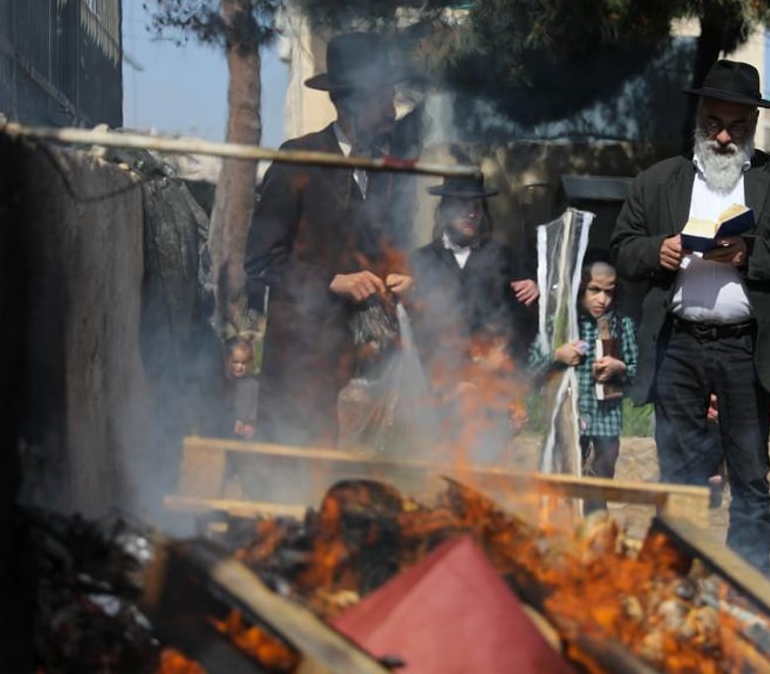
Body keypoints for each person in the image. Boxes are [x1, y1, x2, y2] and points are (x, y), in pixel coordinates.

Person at [611, 60, 770, 575]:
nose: (724, 136)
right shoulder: (659, 180)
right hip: (678, 344)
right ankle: (673, 576)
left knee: (750, 470)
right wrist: (655, 252)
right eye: (714, 123)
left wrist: (751, 256)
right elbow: (622, 246)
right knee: (678, 470)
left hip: (746, 346)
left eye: (737, 126)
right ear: (700, 119)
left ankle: (746, 583)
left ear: (753, 125)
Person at [244, 32, 413, 446]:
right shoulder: (299, 160)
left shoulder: (386, 174)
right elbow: (261, 261)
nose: (392, 112)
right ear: (352, 102)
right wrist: (333, 282)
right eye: (383, 99)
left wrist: (401, 278)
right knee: (299, 475)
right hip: (303, 360)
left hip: (362, 365)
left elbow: (390, 250)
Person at [408, 174, 538, 387]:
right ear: (445, 210)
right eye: (462, 205)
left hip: (491, 380)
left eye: (477, 207)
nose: (471, 213)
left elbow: (522, 320)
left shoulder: (504, 257)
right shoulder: (422, 259)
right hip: (438, 381)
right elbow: (414, 323)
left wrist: (535, 289)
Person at [530, 260, 639, 513]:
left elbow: (636, 374)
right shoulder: (558, 324)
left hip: (606, 425)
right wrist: (557, 355)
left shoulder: (621, 325)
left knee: (597, 496)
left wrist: (619, 368)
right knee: (564, 493)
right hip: (568, 423)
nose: (602, 299)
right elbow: (532, 370)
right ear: (580, 289)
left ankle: (593, 544)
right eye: (594, 290)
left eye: (609, 292)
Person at [222, 335, 260, 440]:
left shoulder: (253, 384)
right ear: (226, 360)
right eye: (236, 361)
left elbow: (255, 407)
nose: (240, 366)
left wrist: (251, 424)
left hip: (246, 438)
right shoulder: (221, 383)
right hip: (222, 433)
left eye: (244, 362)